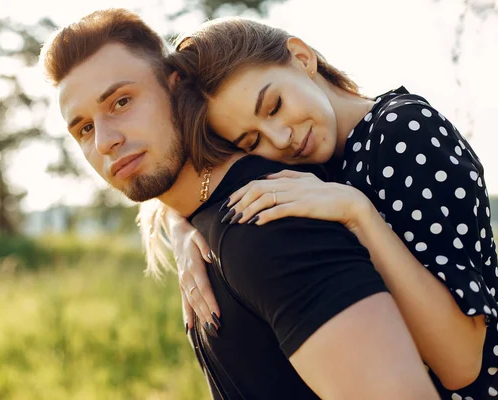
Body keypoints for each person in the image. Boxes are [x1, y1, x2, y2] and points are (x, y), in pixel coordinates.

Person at [40, 8, 439, 399]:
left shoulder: (268, 221)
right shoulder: (203, 214)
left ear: (176, 85)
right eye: (85, 128)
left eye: (121, 102)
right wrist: (179, 223)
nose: (105, 140)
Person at [157, 16, 498, 399]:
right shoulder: (308, 165)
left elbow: (462, 363)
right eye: (252, 141)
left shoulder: (404, 131)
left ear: (301, 58)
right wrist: (179, 226)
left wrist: (359, 214)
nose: (281, 138)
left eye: (274, 106)